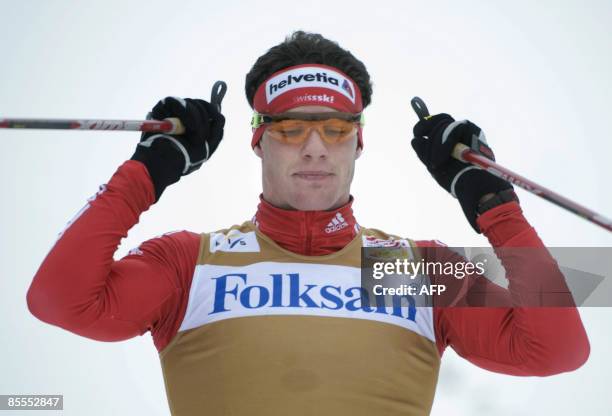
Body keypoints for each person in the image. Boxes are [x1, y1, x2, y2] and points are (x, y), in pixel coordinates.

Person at [27, 31, 590, 416]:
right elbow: (58, 298)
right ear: (259, 140)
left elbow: (559, 347)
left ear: (359, 142)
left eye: (336, 130)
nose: (316, 149)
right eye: (292, 129)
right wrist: (146, 170)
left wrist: (494, 204)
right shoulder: (190, 261)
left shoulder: (410, 268)